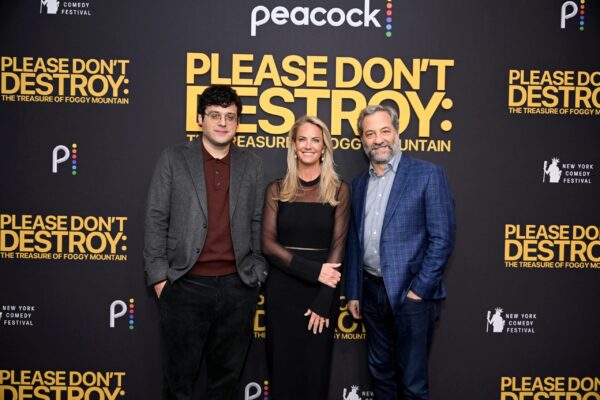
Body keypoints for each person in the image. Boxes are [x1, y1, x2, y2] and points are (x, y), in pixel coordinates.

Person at [143, 84, 267, 400]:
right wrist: (159, 278)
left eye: (230, 116)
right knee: (177, 384)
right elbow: (156, 218)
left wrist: (256, 274)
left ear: (238, 122)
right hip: (185, 285)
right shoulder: (173, 159)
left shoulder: (251, 164)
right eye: (215, 115)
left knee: (225, 384)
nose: (223, 123)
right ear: (200, 119)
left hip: (238, 287)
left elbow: (257, 221)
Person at [345, 105, 456, 400]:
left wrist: (418, 291)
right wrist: (354, 292)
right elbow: (354, 243)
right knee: (380, 374)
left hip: (412, 296)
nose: (378, 139)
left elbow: (442, 239)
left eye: (384, 131)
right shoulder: (357, 185)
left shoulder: (428, 174)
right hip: (370, 294)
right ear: (362, 140)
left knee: (412, 383)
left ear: (396, 132)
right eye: (370, 133)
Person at [262, 115, 350, 399]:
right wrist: (314, 271)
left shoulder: (339, 190)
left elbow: (338, 247)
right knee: (283, 373)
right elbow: (268, 245)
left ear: (324, 147)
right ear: (293, 145)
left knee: (315, 376)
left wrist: (325, 298)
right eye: (302, 139)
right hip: (282, 293)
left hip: (320, 296)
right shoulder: (276, 190)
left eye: (316, 140)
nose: (309, 146)